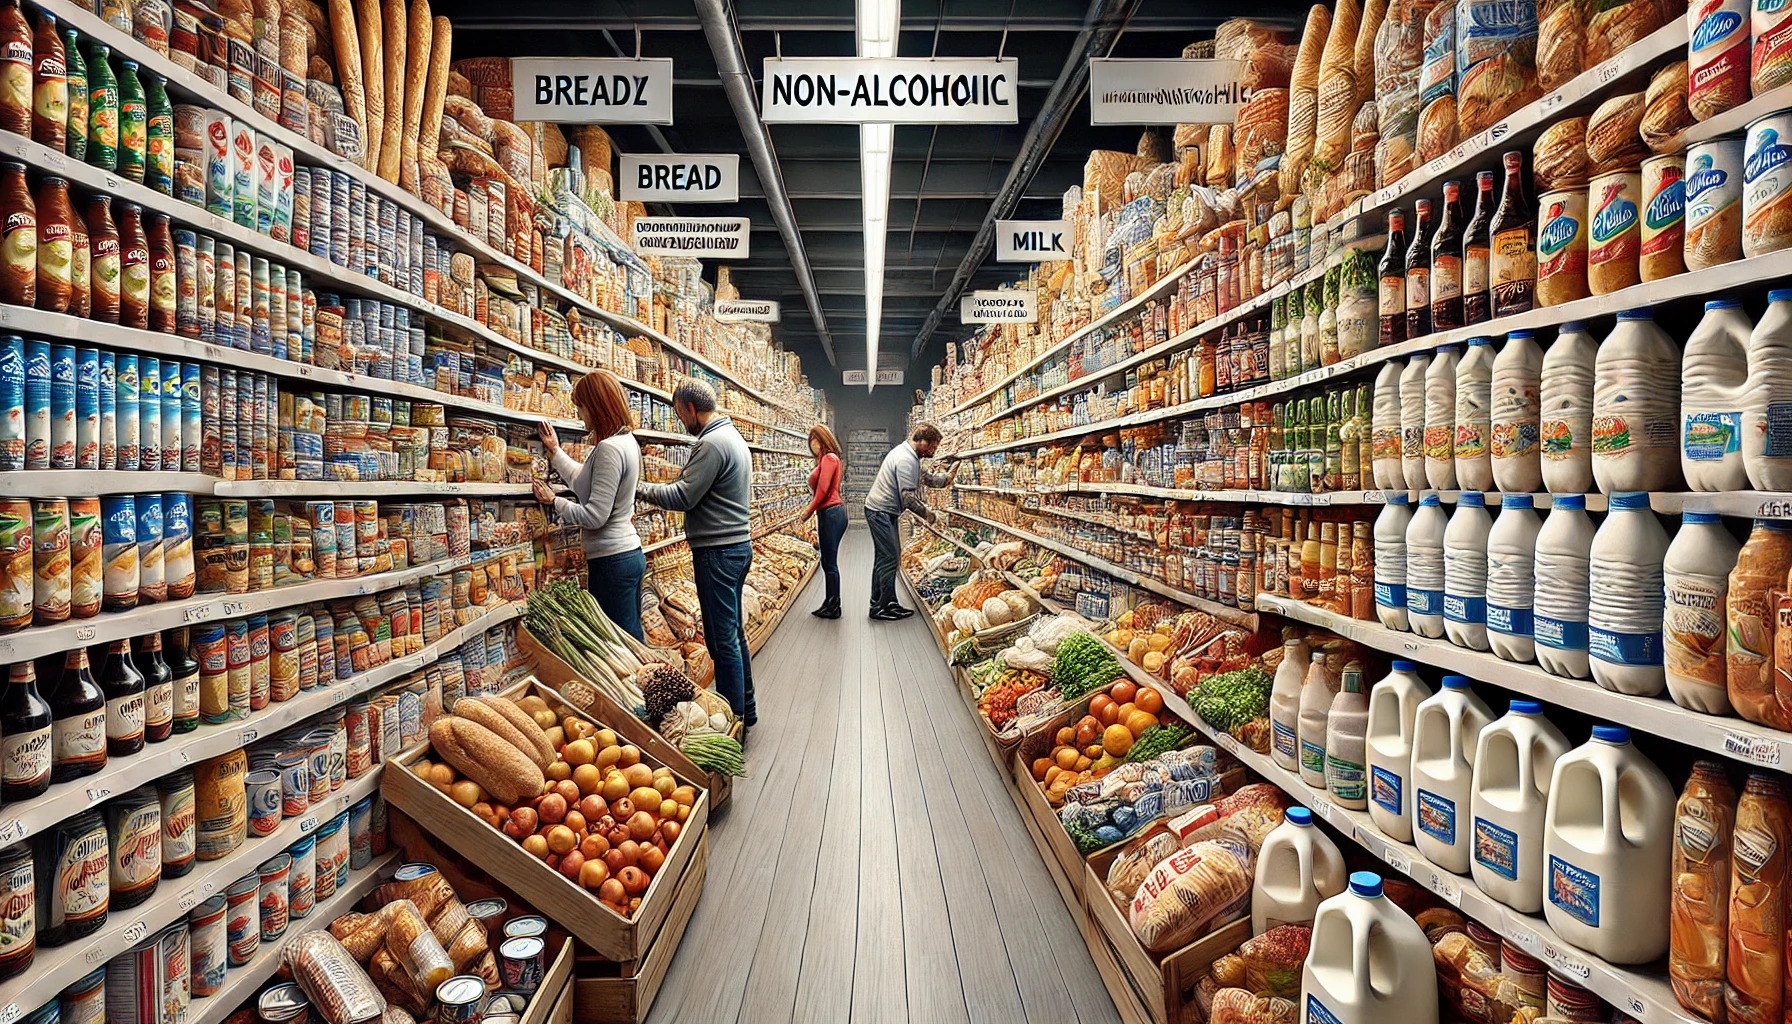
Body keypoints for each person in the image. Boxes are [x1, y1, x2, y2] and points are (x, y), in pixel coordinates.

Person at [635, 380, 758, 729]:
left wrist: (637, 488)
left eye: (679, 413)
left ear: (690, 408)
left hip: (718, 552)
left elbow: (683, 497)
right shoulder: (733, 437)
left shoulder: (711, 444)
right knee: (734, 635)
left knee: (722, 644)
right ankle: (746, 709)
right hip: (735, 547)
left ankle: (733, 721)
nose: (680, 422)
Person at [533, 370, 645, 640]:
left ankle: (640, 684)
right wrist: (556, 452)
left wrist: (555, 501)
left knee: (620, 643)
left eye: (581, 408)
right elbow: (584, 482)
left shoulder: (609, 448)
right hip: (626, 555)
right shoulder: (626, 442)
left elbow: (595, 516)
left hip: (612, 561)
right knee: (629, 636)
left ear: (596, 406)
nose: (580, 415)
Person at [863, 423, 957, 620]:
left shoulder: (909, 455)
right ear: (922, 441)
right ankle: (879, 608)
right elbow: (908, 500)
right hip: (880, 511)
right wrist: (930, 516)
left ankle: (886, 602)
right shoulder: (906, 459)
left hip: (882, 510)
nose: (933, 451)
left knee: (886, 557)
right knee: (888, 558)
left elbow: (928, 479)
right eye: (932, 446)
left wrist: (948, 477)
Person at [801, 424, 846, 619]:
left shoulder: (829, 458)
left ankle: (834, 606)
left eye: (814, 440)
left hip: (831, 512)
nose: (812, 445)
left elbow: (823, 490)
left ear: (822, 439)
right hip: (829, 512)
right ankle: (829, 602)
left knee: (830, 562)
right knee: (827, 561)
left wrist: (808, 510)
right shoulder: (826, 460)